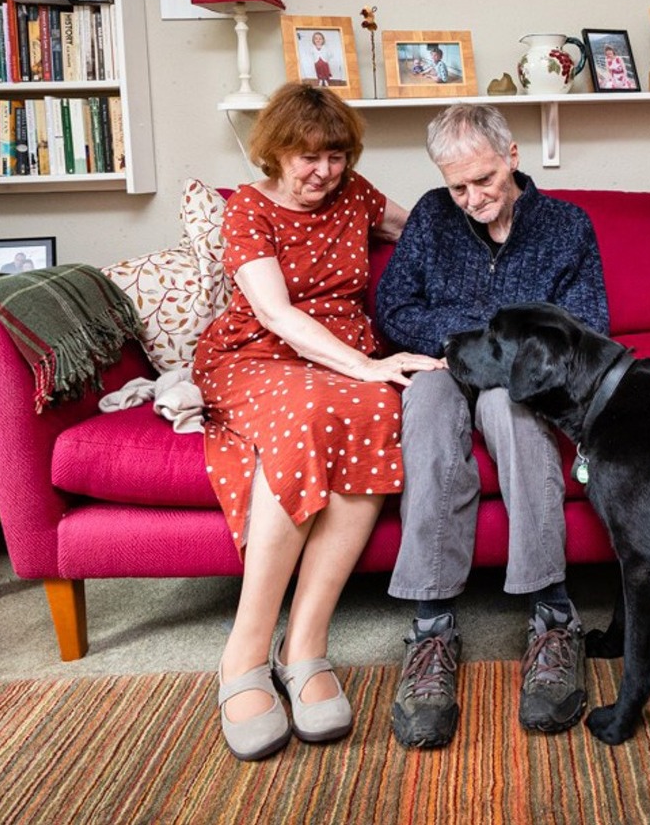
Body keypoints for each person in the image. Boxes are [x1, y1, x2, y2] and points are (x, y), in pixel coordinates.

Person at [193, 83, 442, 762]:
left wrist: (499, 214)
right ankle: (244, 652)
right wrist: (364, 365)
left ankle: (305, 643)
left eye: (335, 156)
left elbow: (425, 226)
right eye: (307, 158)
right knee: (309, 412)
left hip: (342, 363)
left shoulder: (354, 195)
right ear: (275, 153)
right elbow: (275, 315)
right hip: (258, 355)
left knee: (378, 407)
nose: (322, 172)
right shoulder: (249, 209)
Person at [375, 103, 609, 748]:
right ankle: (431, 629)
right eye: (458, 186)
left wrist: (505, 363)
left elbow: (587, 325)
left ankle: (554, 618)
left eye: (484, 179)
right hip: (443, 361)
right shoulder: (430, 215)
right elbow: (394, 305)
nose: (472, 198)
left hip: (522, 376)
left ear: (511, 154)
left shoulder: (566, 226)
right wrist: (456, 346)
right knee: (423, 410)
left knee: (514, 414)